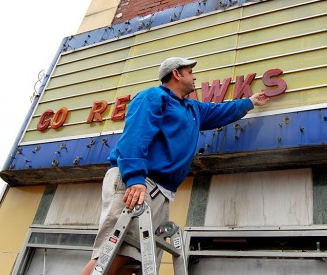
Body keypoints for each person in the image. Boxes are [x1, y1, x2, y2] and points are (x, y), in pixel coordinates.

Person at [82, 57, 269, 275]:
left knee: (134, 260)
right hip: (138, 182)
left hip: (160, 190)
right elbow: (135, 137)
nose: (195, 76)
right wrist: (135, 178)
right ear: (176, 74)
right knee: (115, 252)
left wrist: (250, 102)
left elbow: (219, 112)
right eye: (190, 72)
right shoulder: (153, 96)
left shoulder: (192, 108)